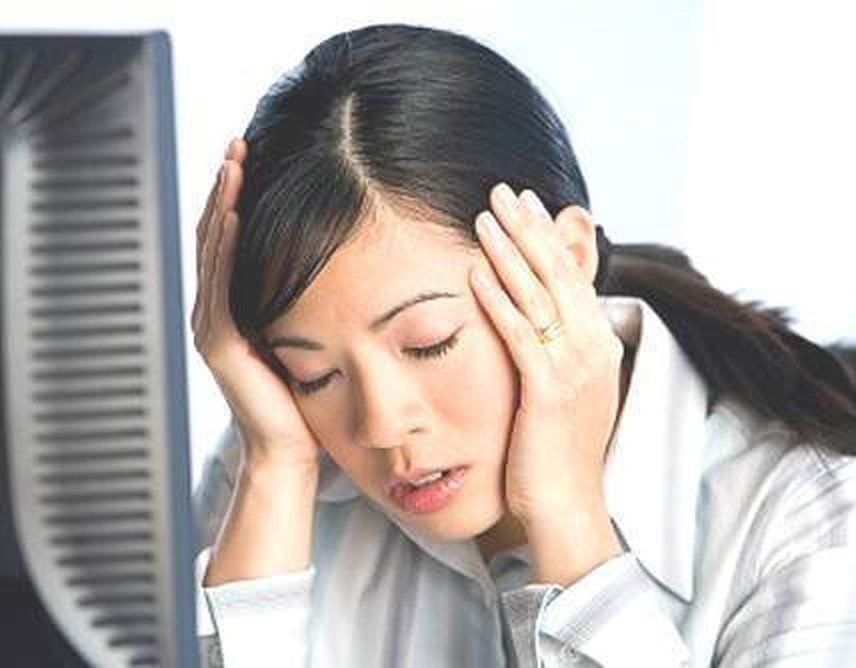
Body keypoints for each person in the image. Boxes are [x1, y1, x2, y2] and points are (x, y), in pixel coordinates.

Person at [190, 23, 856, 667]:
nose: (381, 425)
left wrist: (568, 518)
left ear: (566, 260)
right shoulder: (277, 458)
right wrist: (272, 472)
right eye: (314, 374)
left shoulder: (813, 525)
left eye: (429, 344)